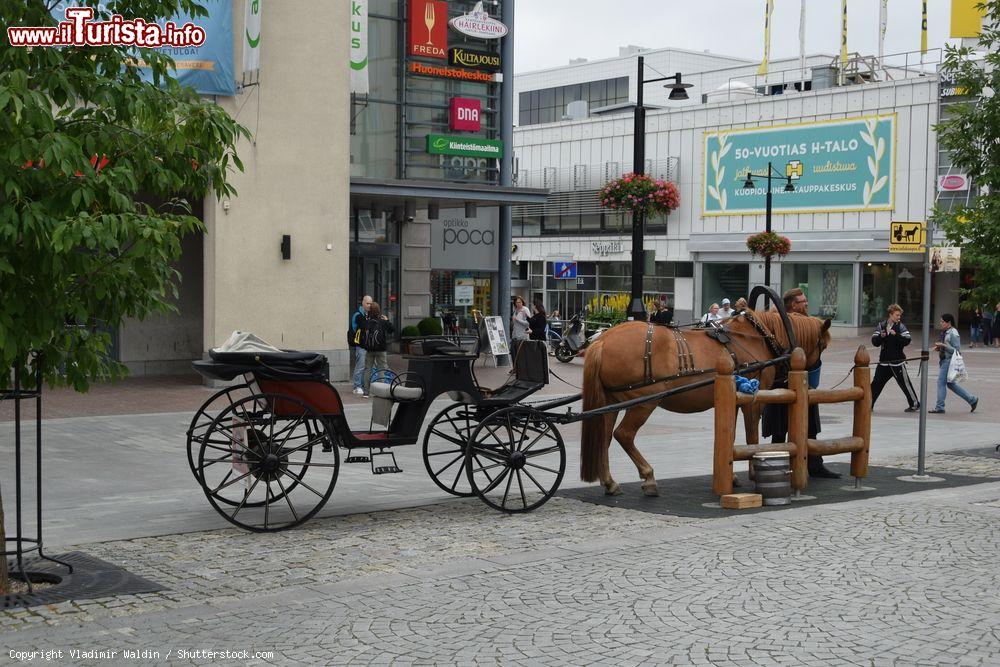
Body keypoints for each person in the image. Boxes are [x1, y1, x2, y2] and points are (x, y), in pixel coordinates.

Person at [762, 288, 839, 478]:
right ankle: (777, 465)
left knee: (810, 425)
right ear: (792, 304)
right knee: (779, 428)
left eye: (805, 300)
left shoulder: (807, 323)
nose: (806, 304)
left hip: (803, 380)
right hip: (780, 380)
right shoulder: (777, 321)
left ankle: (814, 463)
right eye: (802, 301)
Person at [870, 304, 919, 412]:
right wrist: (881, 337)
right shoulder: (881, 325)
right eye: (897, 315)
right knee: (876, 384)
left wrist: (895, 335)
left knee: (906, 384)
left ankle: (914, 404)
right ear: (890, 315)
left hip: (897, 362)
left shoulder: (901, 326)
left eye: (900, 315)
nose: (899, 317)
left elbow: (907, 340)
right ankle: (868, 404)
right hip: (884, 362)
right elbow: (874, 342)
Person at [930, 313, 979, 414]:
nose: (941, 323)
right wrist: (939, 347)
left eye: (942, 321)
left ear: (949, 323)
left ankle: (940, 407)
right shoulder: (945, 332)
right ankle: (972, 399)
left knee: (941, 383)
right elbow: (947, 346)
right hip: (944, 360)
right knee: (950, 384)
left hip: (949, 361)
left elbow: (957, 350)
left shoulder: (953, 332)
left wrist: (943, 346)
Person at [361, 302, 394, 397]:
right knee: (381, 369)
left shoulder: (366, 322)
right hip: (381, 349)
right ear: (378, 311)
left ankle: (366, 392)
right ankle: (380, 392)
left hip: (369, 349)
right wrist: (387, 320)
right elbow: (391, 330)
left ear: (369, 311)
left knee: (367, 369)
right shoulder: (382, 322)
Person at [350, 294, 372, 396]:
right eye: (367, 303)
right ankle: (356, 386)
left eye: (371, 304)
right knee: (360, 366)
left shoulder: (369, 315)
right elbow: (359, 329)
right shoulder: (358, 315)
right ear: (363, 303)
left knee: (367, 366)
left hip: (368, 345)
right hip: (361, 345)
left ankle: (363, 385)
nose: (369, 305)